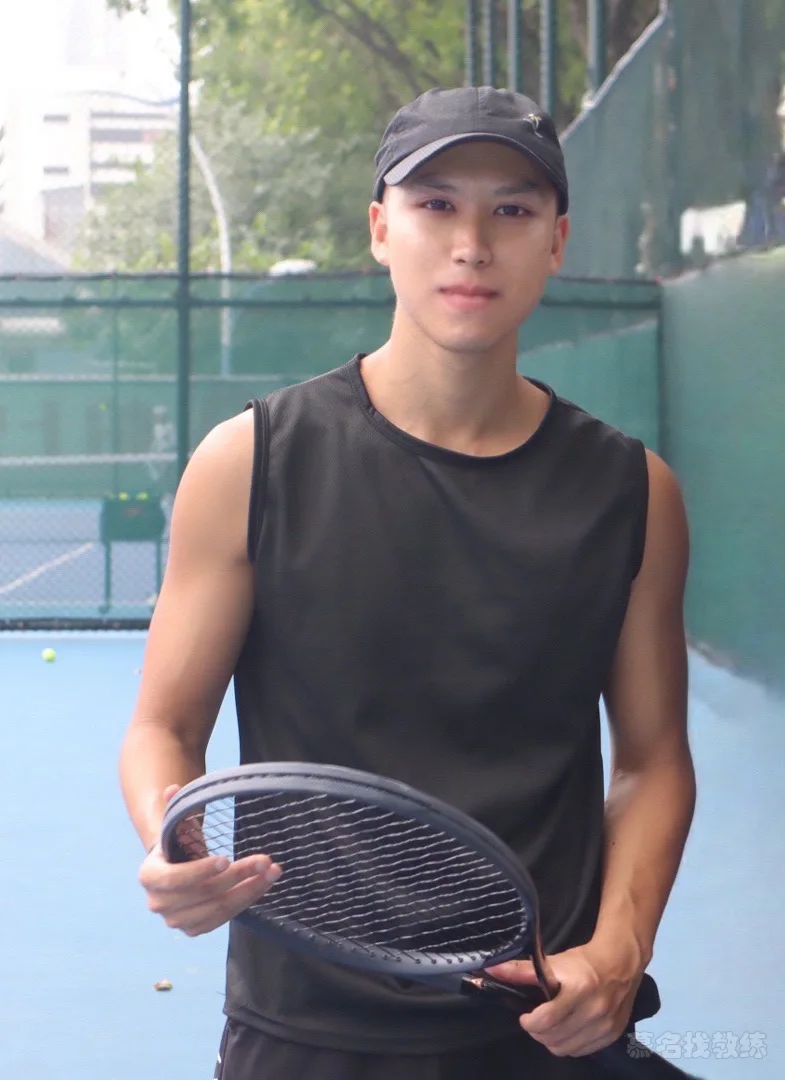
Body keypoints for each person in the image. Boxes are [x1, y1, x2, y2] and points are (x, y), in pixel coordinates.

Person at [119, 86, 696, 1080]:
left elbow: (650, 761)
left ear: (555, 242)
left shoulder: (633, 492)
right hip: (303, 1030)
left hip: (540, 1023)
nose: (471, 243)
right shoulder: (248, 463)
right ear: (382, 229)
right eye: (434, 204)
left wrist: (617, 948)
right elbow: (162, 727)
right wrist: (173, 839)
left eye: (510, 209)